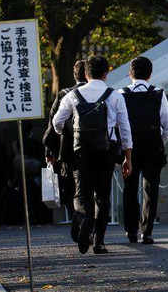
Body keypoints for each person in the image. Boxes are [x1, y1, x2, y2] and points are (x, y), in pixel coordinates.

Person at [52, 56, 133, 255]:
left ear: (85, 74)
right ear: (106, 74)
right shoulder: (114, 95)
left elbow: (57, 122)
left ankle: (85, 220)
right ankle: (99, 241)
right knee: (102, 196)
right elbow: (125, 129)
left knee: (81, 193)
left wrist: (67, 134)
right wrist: (127, 157)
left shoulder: (72, 95)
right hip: (106, 151)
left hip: (81, 151)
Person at [120, 56, 168, 244]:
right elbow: (167, 124)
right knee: (151, 189)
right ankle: (147, 231)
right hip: (152, 145)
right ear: (150, 74)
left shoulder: (121, 93)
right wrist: (160, 142)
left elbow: (119, 124)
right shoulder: (158, 93)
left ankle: (131, 230)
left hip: (130, 148)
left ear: (130, 74)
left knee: (130, 189)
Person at [44, 60, 87, 227]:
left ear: (74, 75)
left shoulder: (64, 94)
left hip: (68, 148)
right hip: (95, 147)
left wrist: (50, 152)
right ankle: (89, 222)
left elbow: (52, 123)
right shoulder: (100, 93)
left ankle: (78, 218)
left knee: (71, 187)